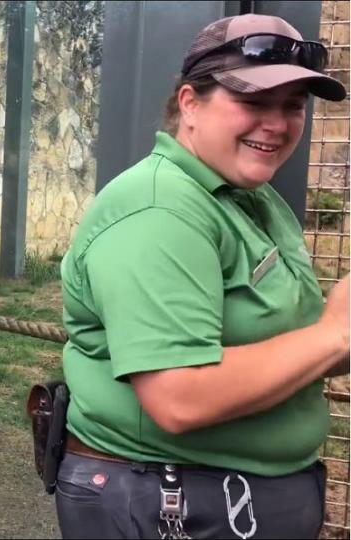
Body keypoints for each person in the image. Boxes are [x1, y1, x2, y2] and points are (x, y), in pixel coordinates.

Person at [54, 14, 350, 539]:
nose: (278, 124)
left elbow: (281, 339)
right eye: (254, 103)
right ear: (190, 103)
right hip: (170, 505)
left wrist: (333, 337)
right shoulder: (159, 209)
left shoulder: (250, 197)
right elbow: (178, 397)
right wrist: (334, 335)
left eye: (292, 107)